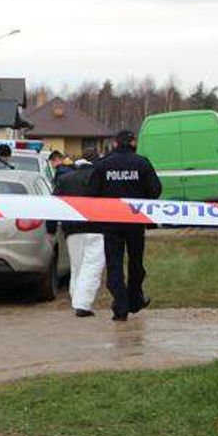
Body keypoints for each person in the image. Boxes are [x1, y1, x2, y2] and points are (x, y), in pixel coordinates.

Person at [87, 129, 162, 321]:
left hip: (111, 223)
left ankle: (121, 307)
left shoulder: (103, 165)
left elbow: (91, 193)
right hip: (135, 222)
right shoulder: (142, 163)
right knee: (136, 263)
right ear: (133, 143)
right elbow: (155, 190)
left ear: (115, 143)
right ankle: (134, 300)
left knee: (114, 266)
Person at [49, 151, 104, 317]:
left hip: (72, 230)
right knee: (93, 265)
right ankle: (83, 304)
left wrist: (50, 229)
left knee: (77, 266)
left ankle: (77, 301)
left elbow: (53, 205)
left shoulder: (65, 179)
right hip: (97, 228)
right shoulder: (101, 179)